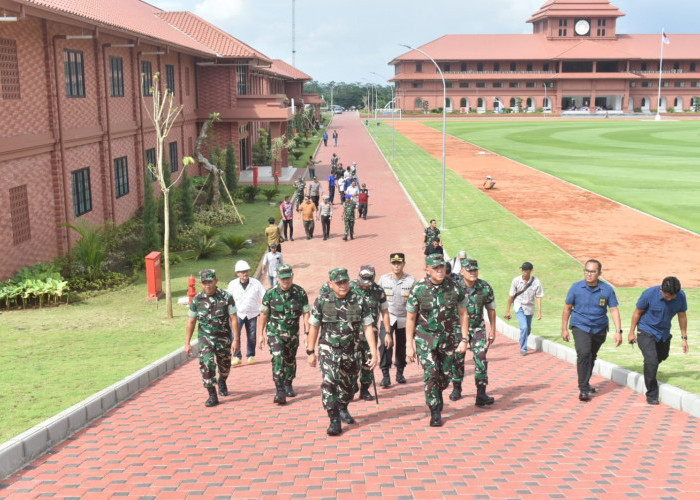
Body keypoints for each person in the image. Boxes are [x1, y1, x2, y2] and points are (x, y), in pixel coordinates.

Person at [306, 268, 378, 436]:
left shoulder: (358, 300)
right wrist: (310, 351)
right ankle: (334, 419)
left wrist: (374, 351)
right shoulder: (322, 301)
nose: (343, 285)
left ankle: (343, 406)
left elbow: (368, 327)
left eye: (345, 282)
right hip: (328, 349)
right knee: (329, 382)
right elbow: (314, 326)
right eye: (338, 283)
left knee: (349, 387)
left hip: (351, 350)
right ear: (331, 284)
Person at [406, 254, 468, 427]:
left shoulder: (455, 288)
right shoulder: (418, 289)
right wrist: (409, 345)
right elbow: (410, 318)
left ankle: (438, 392)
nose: (440, 271)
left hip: (448, 338)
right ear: (427, 270)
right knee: (431, 371)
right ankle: (434, 411)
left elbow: (463, 313)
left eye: (442, 267)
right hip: (425, 337)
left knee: (445, 374)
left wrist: (464, 339)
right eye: (436, 268)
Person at [561, 259, 622, 402]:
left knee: (592, 356)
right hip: (580, 325)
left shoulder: (607, 289)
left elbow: (613, 309)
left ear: (599, 273)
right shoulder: (576, 288)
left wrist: (618, 331)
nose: (589, 274)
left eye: (592, 271)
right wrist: (564, 329)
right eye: (586, 271)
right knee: (584, 353)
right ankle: (583, 389)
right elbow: (567, 308)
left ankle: (586, 382)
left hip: (599, 327)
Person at [627, 276, 688, 405]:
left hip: (663, 333)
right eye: (667, 296)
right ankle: (652, 394)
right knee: (651, 360)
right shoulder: (649, 294)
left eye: (673, 297)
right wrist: (631, 332)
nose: (670, 299)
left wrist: (684, 338)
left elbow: (682, 316)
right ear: (661, 289)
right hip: (645, 330)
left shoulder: (681, 296)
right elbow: (637, 312)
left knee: (662, 356)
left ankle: (651, 368)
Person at [185, 269, 239, 407]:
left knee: (225, 366)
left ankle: (222, 381)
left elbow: (233, 318)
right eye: (205, 283)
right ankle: (212, 394)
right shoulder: (197, 300)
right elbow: (191, 321)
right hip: (205, 339)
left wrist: (237, 339)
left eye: (210, 282)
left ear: (216, 280)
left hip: (223, 338)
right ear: (201, 284)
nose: (208, 285)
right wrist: (187, 343)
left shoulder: (226, 297)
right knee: (206, 364)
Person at [257, 264, 310, 405]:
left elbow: (306, 313)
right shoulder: (270, 294)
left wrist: (307, 333)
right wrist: (261, 334)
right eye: (282, 279)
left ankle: (288, 383)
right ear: (277, 278)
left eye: (288, 278)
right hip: (275, 332)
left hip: (292, 333)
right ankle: (280, 390)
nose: (285, 281)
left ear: (292, 277)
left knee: (290, 359)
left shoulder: (300, 293)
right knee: (278, 356)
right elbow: (263, 314)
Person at [451, 259, 498, 406]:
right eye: (470, 270)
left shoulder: (484, 287)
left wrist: (493, 330)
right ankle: (457, 387)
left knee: (481, 356)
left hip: (478, 328)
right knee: (458, 358)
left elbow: (491, 308)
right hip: (458, 329)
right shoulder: (454, 288)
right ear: (462, 272)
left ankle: (481, 393)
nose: (473, 273)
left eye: (475, 270)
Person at [350, 265, 392, 401]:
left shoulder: (378, 291)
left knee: (368, 362)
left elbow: (385, 312)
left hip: (371, 334)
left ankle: (365, 389)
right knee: (351, 362)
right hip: (352, 333)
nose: (366, 283)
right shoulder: (350, 288)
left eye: (369, 280)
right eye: (363, 280)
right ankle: (351, 386)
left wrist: (388, 332)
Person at [377, 253, 415, 388]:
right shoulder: (383, 279)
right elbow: (378, 300)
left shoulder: (410, 280)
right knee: (385, 345)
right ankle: (385, 375)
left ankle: (400, 372)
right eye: (394, 263)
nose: (396, 266)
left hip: (404, 318)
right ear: (390, 264)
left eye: (399, 263)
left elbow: (415, 303)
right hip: (388, 316)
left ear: (404, 264)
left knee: (402, 345)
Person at [227, 260, 266, 365]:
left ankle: (251, 355)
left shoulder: (256, 283)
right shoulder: (232, 284)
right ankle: (237, 356)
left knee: (252, 335)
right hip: (238, 313)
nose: (245, 274)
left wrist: (264, 308)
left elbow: (264, 296)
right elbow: (227, 299)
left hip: (252, 313)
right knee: (235, 335)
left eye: (246, 271)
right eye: (242, 272)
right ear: (237, 273)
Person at [504, 262, 544, 355]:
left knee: (528, 329)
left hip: (529, 307)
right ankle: (523, 348)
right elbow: (511, 296)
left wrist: (539, 310)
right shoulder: (516, 281)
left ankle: (522, 338)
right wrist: (508, 311)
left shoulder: (536, 282)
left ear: (531, 271)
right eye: (523, 270)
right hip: (519, 306)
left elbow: (538, 296)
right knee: (524, 327)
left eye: (526, 270)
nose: (524, 272)